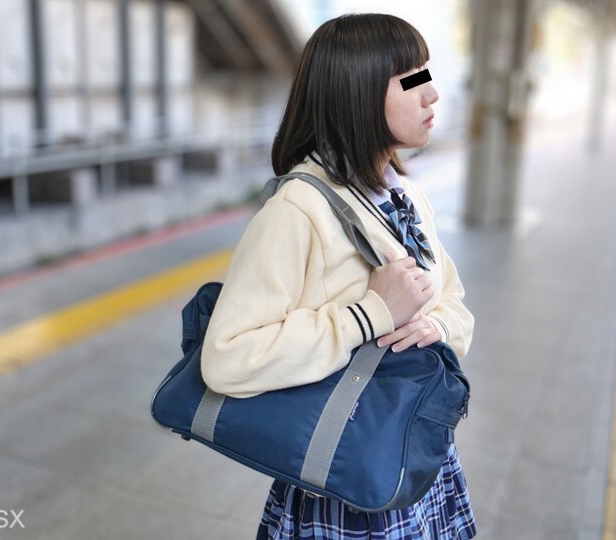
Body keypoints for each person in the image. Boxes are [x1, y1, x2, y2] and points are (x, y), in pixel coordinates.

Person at [200, 13, 476, 540]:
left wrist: (436, 326)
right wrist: (369, 314)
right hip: (343, 474)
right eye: (410, 79)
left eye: (427, 74)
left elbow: (455, 302)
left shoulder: (406, 198)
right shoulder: (297, 211)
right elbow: (227, 358)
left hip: (413, 456)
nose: (432, 93)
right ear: (358, 90)